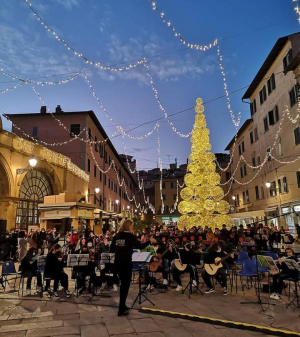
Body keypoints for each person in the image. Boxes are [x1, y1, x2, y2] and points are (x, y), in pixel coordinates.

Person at [110, 219, 157, 316]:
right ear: (128, 226)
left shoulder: (117, 236)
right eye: (131, 226)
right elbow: (140, 246)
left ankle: (122, 306)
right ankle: (121, 308)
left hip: (118, 262)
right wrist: (149, 241)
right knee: (125, 285)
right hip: (126, 263)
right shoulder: (130, 236)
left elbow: (111, 249)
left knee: (122, 284)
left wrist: (120, 248)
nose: (132, 228)